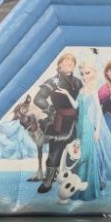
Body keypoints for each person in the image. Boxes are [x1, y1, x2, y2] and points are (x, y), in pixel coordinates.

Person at [73, 58, 111, 201]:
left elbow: (98, 112)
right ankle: (79, 188)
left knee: (88, 156)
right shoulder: (84, 90)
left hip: (90, 126)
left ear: (93, 73)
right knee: (81, 156)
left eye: (87, 73)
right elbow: (77, 108)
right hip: (80, 126)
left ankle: (88, 190)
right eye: (82, 73)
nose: (84, 76)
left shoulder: (96, 90)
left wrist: (97, 129)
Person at [33, 52, 83, 193]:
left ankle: (80, 180)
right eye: (66, 61)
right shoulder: (52, 82)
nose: (69, 63)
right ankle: (48, 182)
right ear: (60, 64)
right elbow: (38, 99)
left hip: (78, 120)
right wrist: (51, 111)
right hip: (60, 122)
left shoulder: (78, 82)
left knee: (82, 150)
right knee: (55, 152)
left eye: (72, 62)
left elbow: (83, 100)